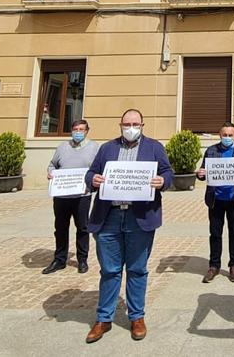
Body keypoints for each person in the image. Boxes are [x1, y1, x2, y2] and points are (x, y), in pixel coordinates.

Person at [85, 109, 173, 344]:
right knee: (110, 270)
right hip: (109, 217)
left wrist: (163, 181)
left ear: (142, 124)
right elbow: (92, 173)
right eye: (127, 123)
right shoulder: (107, 148)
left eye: (135, 123)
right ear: (120, 125)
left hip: (140, 216)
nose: (131, 127)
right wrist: (92, 179)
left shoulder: (154, 147)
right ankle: (104, 318)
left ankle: (136, 317)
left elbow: (167, 172)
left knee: (137, 269)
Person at [196, 122, 234, 283]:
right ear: (219, 135)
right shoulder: (211, 151)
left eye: (230, 135)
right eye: (225, 135)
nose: (227, 138)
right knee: (215, 234)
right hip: (216, 200)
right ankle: (214, 265)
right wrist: (200, 174)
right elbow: (202, 171)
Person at [43, 119, 100, 274]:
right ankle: (59, 259)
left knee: (82, 227)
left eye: (81, 129)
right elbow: (52, 164)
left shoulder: (94, 148)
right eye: (75, 129)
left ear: (87, 131)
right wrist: (50, 172)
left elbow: (98, 168)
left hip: (82, 195)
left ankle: (82, 260)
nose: (78, 132)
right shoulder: (62, 147)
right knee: (60, 227)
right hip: (61, 195)